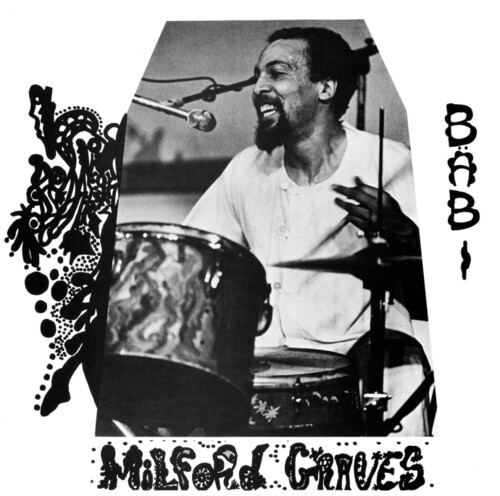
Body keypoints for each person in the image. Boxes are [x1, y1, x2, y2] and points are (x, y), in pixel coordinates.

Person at [184, 27, 431, 435]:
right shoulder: (247, 168)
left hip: (365, 366)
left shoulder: (390, 163)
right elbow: (193, 255)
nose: (258, 88)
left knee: (399, 370)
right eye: (258, 76)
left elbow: (453, 293)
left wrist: (405, 234)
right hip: (270, 369)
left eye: (277, 73)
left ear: (325, 88)